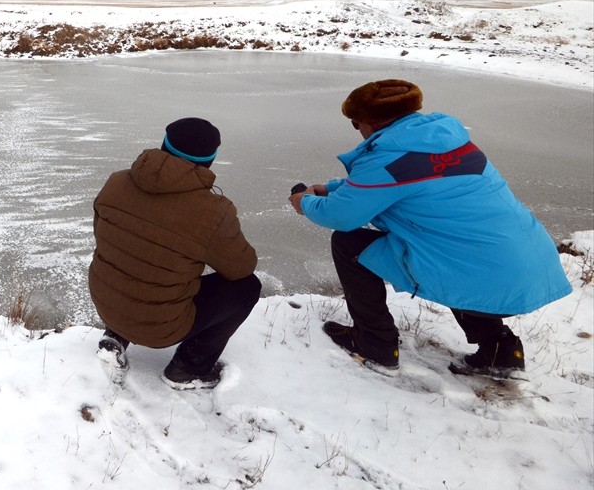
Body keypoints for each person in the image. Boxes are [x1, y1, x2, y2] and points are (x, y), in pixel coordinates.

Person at [289, 79, 572, 376]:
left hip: (485, 275)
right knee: (454, 248)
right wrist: (333, 187)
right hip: (529, 268)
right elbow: (403, 179)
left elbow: (340, 216)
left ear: (369, 122)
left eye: (355, 123)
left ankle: (375, 344)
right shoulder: (448, 140)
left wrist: (304, 202)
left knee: (348, 243)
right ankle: (500, 350)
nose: (357, 130)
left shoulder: (386, 159)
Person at [88, 117, 261, 390]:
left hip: (105, 302)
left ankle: (116, 335)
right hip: (160, 328)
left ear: (163, 146)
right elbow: (241, 267)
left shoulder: (117, 182)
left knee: (132, 252)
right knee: (247, 288)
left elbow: (103, 234)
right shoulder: (213, 211)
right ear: (210, 161)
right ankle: (188, 368)